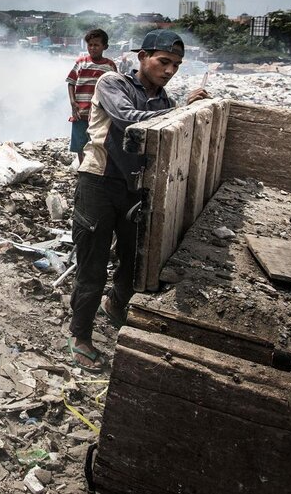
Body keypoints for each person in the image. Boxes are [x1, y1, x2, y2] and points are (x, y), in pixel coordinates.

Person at [68, 30, 209, 370]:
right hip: (98, 183)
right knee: (92, 266)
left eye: (176, 64)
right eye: (163, 62)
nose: (169, 70)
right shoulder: (111, 83)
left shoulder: (163, 102)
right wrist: (181, 112)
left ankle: (115, 306)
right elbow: (130, 121)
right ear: (143, 57)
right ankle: (80, 337)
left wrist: (184, 112)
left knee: (133, 259)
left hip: (134, 188)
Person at [66, 29, 118, 166]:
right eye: (90, 45)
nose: (93, 48)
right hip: (81, 111)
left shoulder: (109, 66)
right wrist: (72, 102)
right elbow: (71, 82)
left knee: (97, 141)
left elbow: (116, 88)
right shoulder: (81, 62)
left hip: (100, 113)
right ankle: (83, 167)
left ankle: (94, 167)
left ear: (105, 47)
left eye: (96, 45)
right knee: (80, 143)